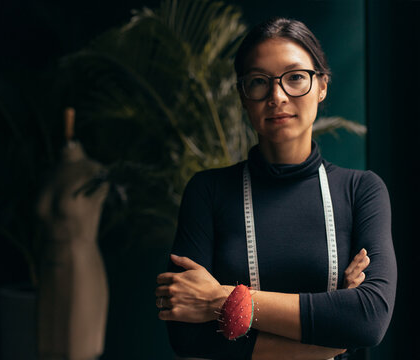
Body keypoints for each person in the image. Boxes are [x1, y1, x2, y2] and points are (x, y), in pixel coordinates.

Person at [155, 17, 397, 360]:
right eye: (259, 82)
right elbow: (185, 332)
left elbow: (369, 318)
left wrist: (219, 300)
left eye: (295, 77)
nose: (277, 95)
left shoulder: (361, 191)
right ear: (243, 96)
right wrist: (322, 339)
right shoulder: (208, 192)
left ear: (322, 85)